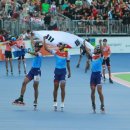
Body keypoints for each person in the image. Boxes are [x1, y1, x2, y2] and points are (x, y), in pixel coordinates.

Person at [13, 39, 43, 109]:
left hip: (37, 72)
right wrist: (24, 48)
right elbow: (32, 46)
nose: (35, 48)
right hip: (32, 70)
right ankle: (21, 98)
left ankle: (35, 101)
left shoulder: (39, 53)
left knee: (35, 87)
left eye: (36, 47)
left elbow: (35, 54)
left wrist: (27, 51)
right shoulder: (35, 51)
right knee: (24, 82)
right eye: (34, 47)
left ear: (39, 48)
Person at [43, 36, 71, 111]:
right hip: (57, 71)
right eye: (58, 45)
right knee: (56, 87)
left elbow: (68, 64)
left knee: (62, 86)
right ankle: (55, 101)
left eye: (60, 45)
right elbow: (46, 48)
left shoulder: (67, 54)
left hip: (63, 72)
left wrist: (69, 72)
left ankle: (62, 102)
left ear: (63, 46)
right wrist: (44, 39)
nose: (58, 46)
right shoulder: (56, 52)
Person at [84, 40, 105, 113]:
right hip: (93, 75)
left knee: (99, 91)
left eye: (95, 49)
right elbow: (87, 51)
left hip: (98, 75)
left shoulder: (101, 56)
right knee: (92, 90)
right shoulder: (93, 56)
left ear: (98, 50)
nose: (94, 50)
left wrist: (100, 43)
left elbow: (102, 51)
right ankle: (93, 104)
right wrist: (84, 43)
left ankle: (102, 105)